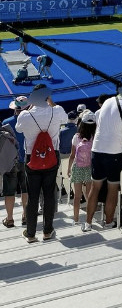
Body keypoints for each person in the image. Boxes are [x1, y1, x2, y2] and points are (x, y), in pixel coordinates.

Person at [15, 85, 68, 243]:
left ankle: (31, 233)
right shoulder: (56, 110)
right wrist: (52, 103)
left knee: (33, 196)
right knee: (49, 194)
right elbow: (64, 119)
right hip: (52, 156)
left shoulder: (25, 115)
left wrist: (30, 107)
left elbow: (18, 129)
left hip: (33, 158)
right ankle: (47, 230)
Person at [82, 83, 122, 232]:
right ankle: (108, 222)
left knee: (95, 187)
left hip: (97, 150)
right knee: (113, 189)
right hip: (114, 153)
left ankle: (88, 223)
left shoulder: (107, 102)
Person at [2, 96, 29, 229]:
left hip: (10, 161)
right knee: (26, 189)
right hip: (27, 160)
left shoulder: (6, 122)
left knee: (9, 191)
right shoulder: (31, 122)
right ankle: (25, 215)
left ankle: (10, 218)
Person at [67, 110, 96, 225]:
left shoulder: (76, 137)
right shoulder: (95, 137)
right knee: (89, 194)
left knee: (77, 195)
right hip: (90, 167)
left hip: (77, 166)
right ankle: (90, 219)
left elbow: (72, 155)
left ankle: (76, 218)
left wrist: (69, 169)